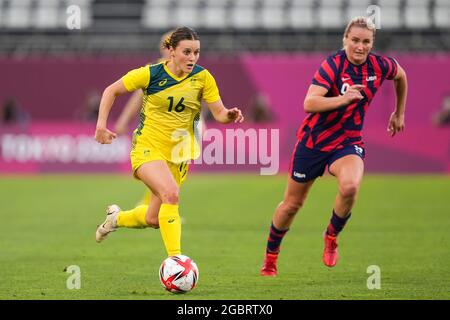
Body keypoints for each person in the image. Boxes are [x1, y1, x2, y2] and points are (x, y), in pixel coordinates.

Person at [260, 16, 408, 276]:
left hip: (348, 142)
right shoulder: (332, 65)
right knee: (292, 205)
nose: (360, 47)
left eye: (366, 41)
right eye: (355, 41)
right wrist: (343, 98)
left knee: (350, 186)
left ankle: (331, 236)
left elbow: (401, 75)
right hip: (313, 142)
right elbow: (309, 102)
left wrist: (399, 112)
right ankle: (271, 257)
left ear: (372, 43)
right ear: (345, 40)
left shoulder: (379, 65)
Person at [94, 27, 244, 259]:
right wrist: (101, 126)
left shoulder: (203, 78)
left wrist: (229, 115)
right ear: (171, 51)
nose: (192, 58)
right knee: (171, 194)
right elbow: (111, 91)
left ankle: (116, 218)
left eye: (196, 52)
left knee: (154, 219)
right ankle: (177, 261)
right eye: (187, 52)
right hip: (148, 148)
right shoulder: (150, 74)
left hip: (180, 155)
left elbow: (220, 113)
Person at [113, 30, 173, 206]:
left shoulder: (186, 71)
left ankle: (155, 207)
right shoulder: (154, 70)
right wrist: (123, 120)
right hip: (156, 130)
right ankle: (153, 208)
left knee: (170, 174)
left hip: (177, 130)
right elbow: (137, 98)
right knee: (162, 171)